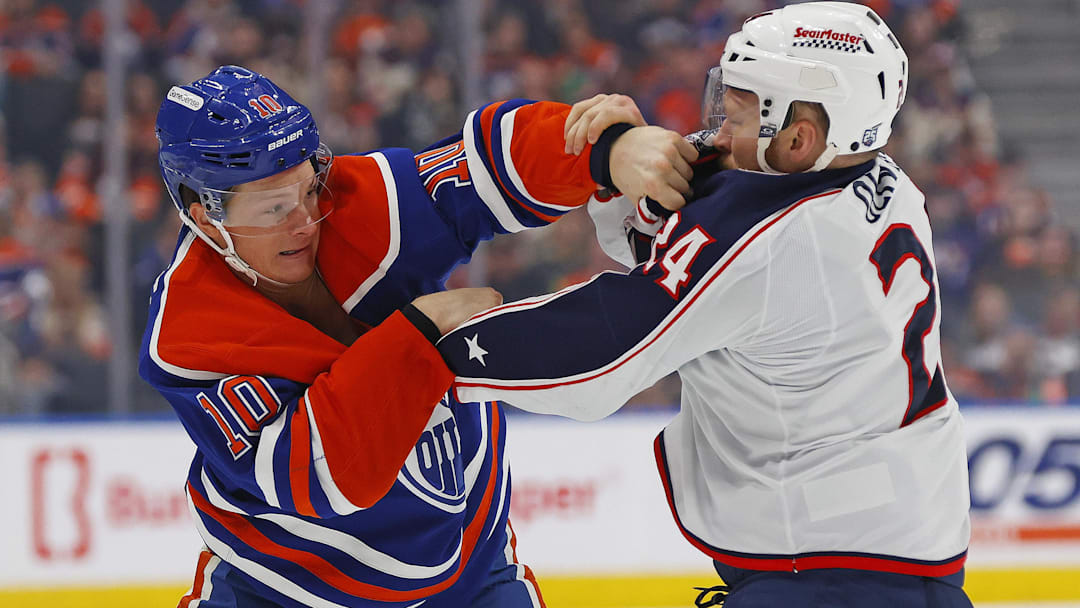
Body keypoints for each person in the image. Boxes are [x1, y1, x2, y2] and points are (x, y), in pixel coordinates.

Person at [435, 3, 973, 607]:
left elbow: (600, 360)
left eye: (738, 116)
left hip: (832, 578)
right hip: (886, 557)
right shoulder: (879, 182)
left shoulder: (778, 244)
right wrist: (622, 162)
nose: (716, 134)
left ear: (799, 137)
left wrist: (433, 344)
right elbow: (690, 246)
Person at [140, 65, 692, 608]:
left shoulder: (353, 200)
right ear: (206, 217)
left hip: (472, 573)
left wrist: (602, 151)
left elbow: (481, 170)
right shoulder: (189, 336)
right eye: (274, 208)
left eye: (308, 189)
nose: (305, 220)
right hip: (281, 589)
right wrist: (422, 329)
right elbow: (324, 472)